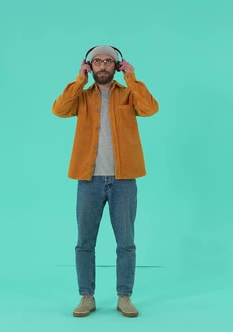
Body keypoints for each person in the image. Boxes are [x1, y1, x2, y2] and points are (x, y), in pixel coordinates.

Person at [52, 45, 159, 318]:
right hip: (88, 180)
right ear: (90, 65)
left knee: (126, 242)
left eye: (108, 61)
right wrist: (79, 80)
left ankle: (125, 296)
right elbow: (59, 110)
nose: (102, 65)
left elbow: (150, 109)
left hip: (124, 179)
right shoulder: (82, 96)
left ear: (117, 65)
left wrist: (132, 79)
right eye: (97, 61)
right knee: (84, 242)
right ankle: (86, 296)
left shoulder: (128, 95)